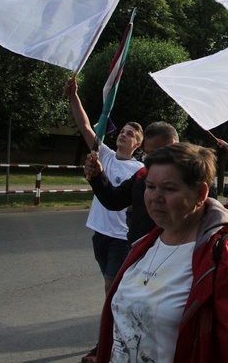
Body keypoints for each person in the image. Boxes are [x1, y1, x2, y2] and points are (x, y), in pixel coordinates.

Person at [96, 142, 228, 362]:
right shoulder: (142, 247)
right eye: (150, 186)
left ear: (200, 193)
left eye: (169, 188)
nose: (155, 196)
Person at [64, 77, 144, 363]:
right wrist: (74, 97)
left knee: (111, 291)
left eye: (130, 134)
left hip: (121, 239)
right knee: (111, 289)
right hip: (99, 234)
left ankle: (107, 341)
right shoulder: (106, 155)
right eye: (121, 131)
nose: (123, 135)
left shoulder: (140, 170)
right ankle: (120, 332)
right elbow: (86, 126)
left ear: (137, 144)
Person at [84, 121, 179, 243]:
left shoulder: (192, 179)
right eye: (148, 154)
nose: (151, 160)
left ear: (173, 145)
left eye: (156, 153)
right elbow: (114, 200)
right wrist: (98, 176)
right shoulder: (142, 176)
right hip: (142, 249)